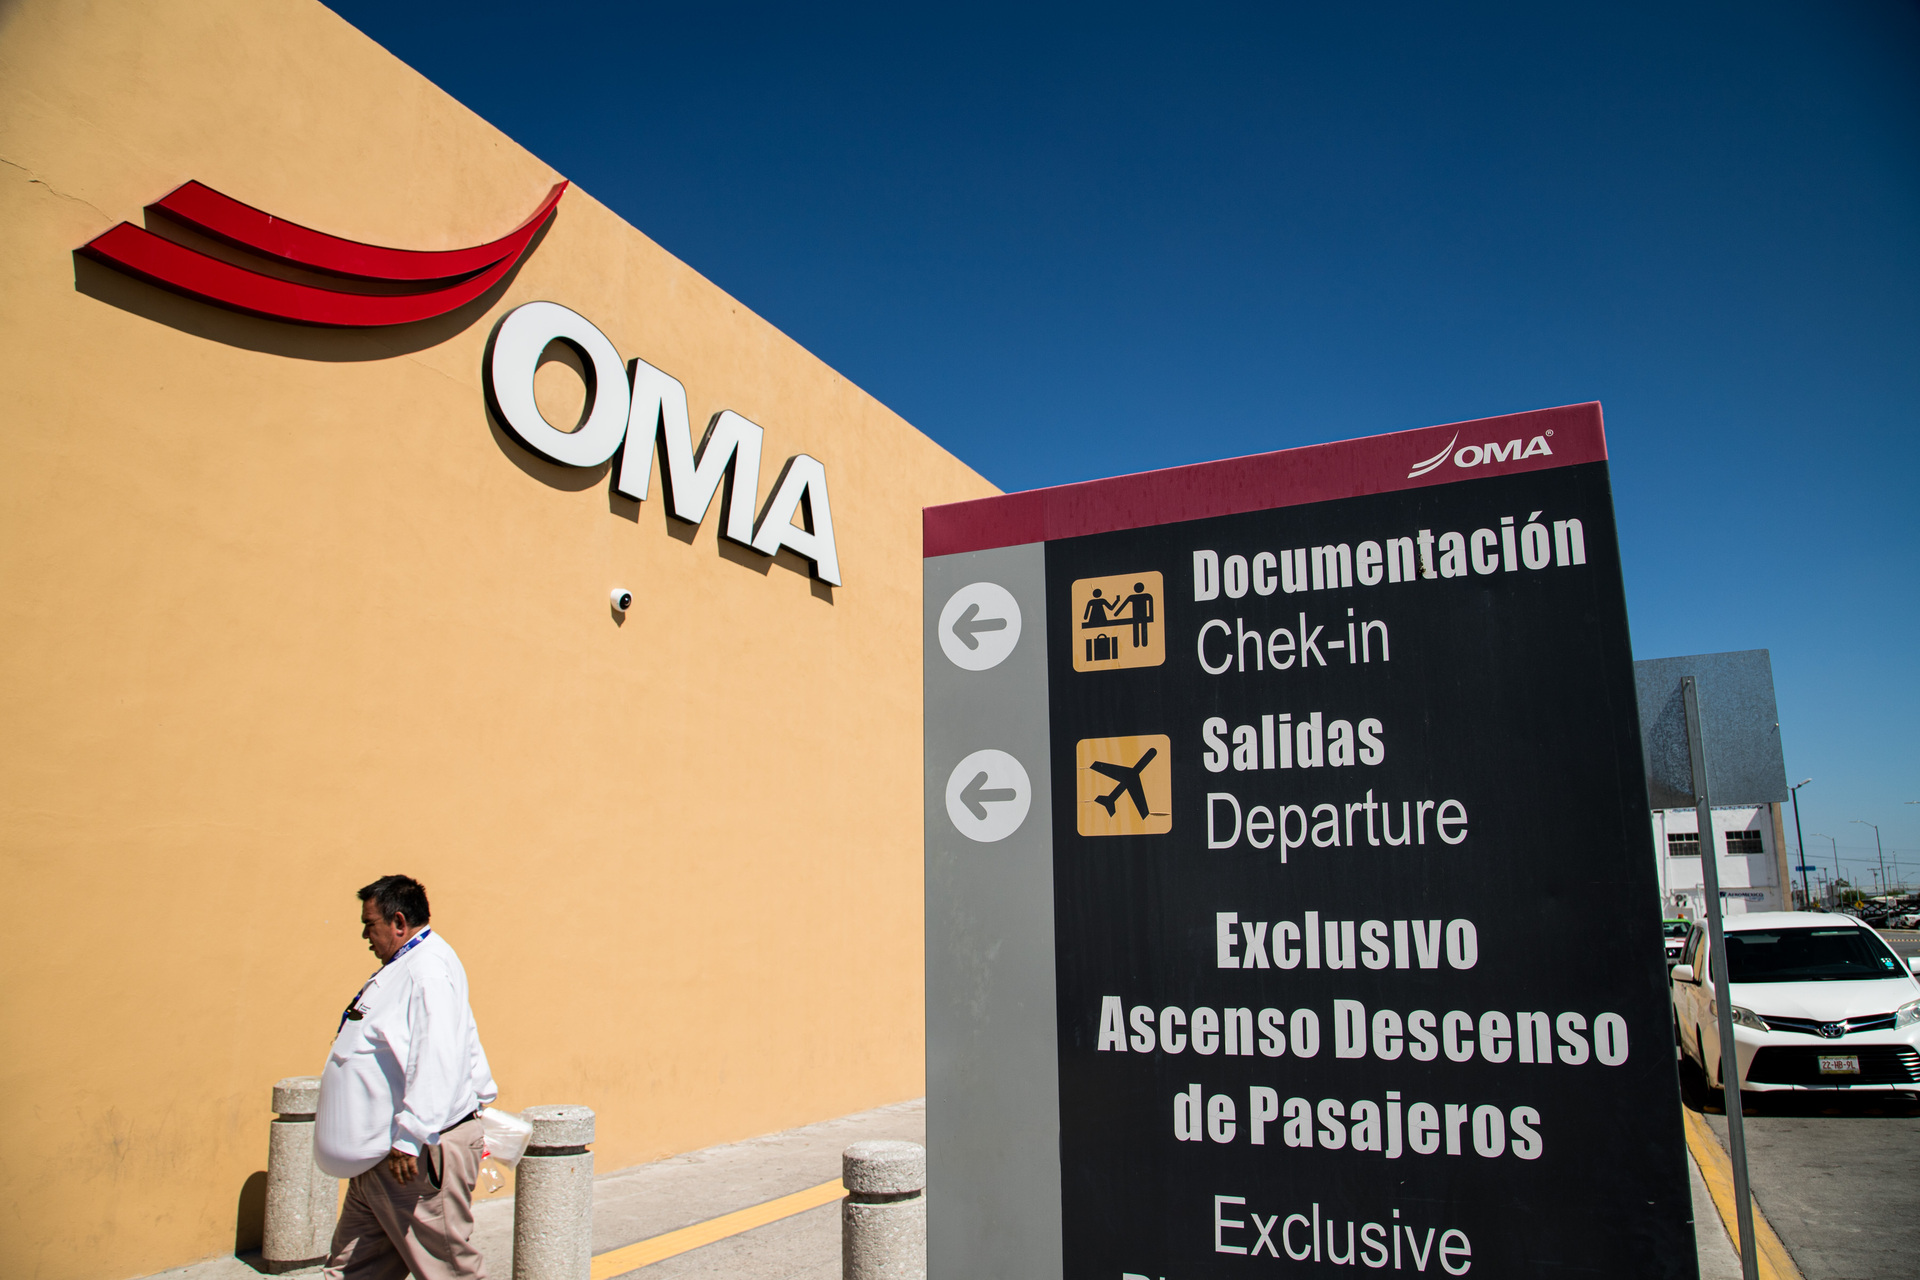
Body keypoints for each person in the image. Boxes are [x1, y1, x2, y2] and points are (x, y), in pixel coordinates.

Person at [315, 875, 497, 1280]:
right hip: (380, 1158)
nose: (365, 935)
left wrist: (409, 1137)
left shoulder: (426, 970)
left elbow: (436, 1058)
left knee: (449, 1272)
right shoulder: (407, 964)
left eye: (370, 924)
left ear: (399, 922)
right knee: (352, 1270)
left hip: (410, 1158)